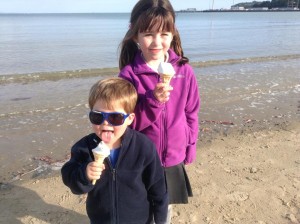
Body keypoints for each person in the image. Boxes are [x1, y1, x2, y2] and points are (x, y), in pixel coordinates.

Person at [118, 0, 200, 222]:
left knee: (165, 208)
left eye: (164, 34)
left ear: (173, 34)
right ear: (134, 35)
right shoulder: (129, 76)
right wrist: (153, 101)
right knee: (142, 206)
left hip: (174, 157)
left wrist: (190, 146)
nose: (156, 42)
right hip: (142, 158)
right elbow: (127, 124)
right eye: (148, 34)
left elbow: (191, 113)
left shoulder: (184, 71)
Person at [61, 77, 168, 224]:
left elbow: (158, 189)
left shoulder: (143, 147)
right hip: (101, 220)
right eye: (97, 116)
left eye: (116, 118)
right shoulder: (84, 147)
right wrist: (84, 173)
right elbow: (69, 177)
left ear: (130, 119)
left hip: (139, 219)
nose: (105, 123)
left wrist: (161, 220)